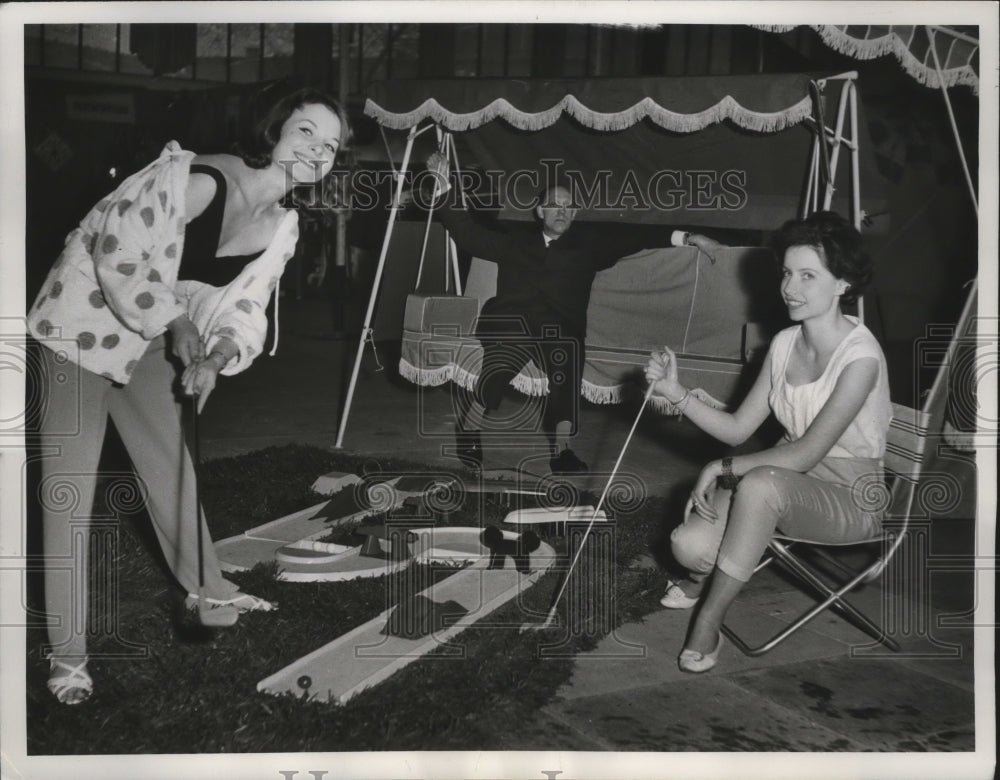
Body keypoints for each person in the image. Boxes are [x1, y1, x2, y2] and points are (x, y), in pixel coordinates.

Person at [27, 87, 348, 704]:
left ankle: (210, 591)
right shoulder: (201, 181)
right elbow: (115, 252)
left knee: (170, 470)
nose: (316, 150)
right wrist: (177, 328)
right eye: (306, 131)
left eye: (329, 145)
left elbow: (243, 304)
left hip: (148, 334)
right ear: (274, 130)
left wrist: (217, 354)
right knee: (69, 493)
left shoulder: (283, 224)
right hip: (78, 324)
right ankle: (68, 656)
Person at [644, 210, 892, 673]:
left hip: (851, 498)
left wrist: (721, 468)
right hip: (785, 482)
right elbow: (738, 428)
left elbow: (806, 452)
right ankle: (704, 577)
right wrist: (675, 393)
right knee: (688, 547)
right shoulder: (783, 344)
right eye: (786, 273)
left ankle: (709, 620)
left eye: (807, 276)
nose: (790, 288)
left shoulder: (860, 358)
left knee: (757, 483)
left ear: (842, 284)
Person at [425, 151, 723, 474]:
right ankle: (469, 428)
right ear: (540, 210)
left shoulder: (588, 247)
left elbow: (636, 237)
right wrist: (443, 187)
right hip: (511, 324)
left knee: (567, 353)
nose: (562, 211)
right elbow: (468, 235)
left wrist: (689, 237)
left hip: (559, 331)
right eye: (555, 204)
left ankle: (562, 451)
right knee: (511, 348)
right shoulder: (515, 240)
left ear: (575, 213)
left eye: (568, 207)